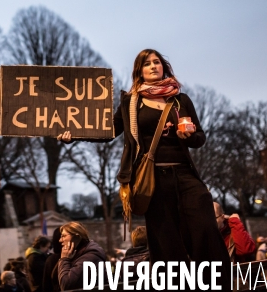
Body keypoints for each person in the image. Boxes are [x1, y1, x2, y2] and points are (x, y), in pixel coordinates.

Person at [58, 49, 231, 288]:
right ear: (139, 70)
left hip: (184, 173)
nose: (153, 66)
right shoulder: (131, 102)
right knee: (166, 238)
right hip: (152, 180)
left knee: (204, 227)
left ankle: (216, 283)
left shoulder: (180, 100)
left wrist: (188, 135)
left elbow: (199, 138)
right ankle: (178, 284)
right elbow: (108, 131)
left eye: (157, 62)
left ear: (164, 66)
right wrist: (74, 135)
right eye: (147, 63)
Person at [55, 222, 106, 291]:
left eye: (64, 236)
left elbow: (66, 285)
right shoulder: (78, 253)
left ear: (77, 236)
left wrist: (64, 259)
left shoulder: (90, 256)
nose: (60, 240)